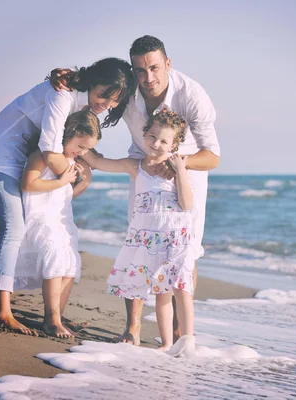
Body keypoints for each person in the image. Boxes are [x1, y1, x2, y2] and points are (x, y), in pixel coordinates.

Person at [51, 35, 220, 346]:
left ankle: (181, 333)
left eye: (154, 68)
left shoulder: (192, 95)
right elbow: (97, 90)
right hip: (140, 165)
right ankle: (133, 328)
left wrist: (178, 164)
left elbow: (213, 155)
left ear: (168, 64)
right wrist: (68, 78)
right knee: (140, 242)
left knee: (186, 251)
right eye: (140, 71)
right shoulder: (128, 89)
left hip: (187, 165)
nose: (148, 78)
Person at [0, 58, 136, 335]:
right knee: (13, 229)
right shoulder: (63, 96)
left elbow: (89, 156)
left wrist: (134, 167)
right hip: (0, 156)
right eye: (103, 95)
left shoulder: (82, 105)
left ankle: (51, 315)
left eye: (112, 102)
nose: (105, 104)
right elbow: (50, 151)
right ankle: (3, 311)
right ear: (93, 82)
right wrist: (72, 178)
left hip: (25, 158)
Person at [88, 109, 199, 353]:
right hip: (148, 236)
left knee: (181, 288)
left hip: (175, 234)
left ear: (174, 144)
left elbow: (187, 203)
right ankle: (168, 343)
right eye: (152, 137)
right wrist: (79, 148)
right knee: (161, 291)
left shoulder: (175, 168)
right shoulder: (136, 165)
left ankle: (188, 340)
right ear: (144, 134)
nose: (156, 144)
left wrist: (180, 170)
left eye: (164, 141)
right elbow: (100, 163)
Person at [14, 109, 99, 338]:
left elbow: (64, 196)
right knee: (55, 258)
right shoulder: (44, 155)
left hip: (62, 220)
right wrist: (62, 180)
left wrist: (83, 183)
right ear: (67, 133)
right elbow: (28, 185)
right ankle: (52, 321)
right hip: (41, 218)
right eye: (80, 146)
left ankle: (55, 318)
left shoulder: (70, 162)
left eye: (86, 149)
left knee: (71, 264)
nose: (82, 152)